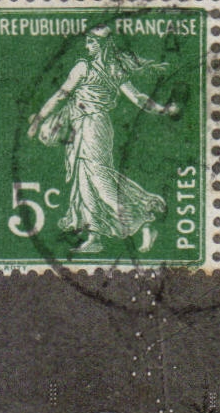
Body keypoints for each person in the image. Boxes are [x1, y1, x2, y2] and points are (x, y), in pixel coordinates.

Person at [28, 25, 180, 254]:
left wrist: (163, 109)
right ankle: (94, 237)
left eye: (91, 43)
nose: (87, 46)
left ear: (102, 46)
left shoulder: (92, 67)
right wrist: (163, 109)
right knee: (84, 182)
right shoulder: (103, 67)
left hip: (94, 126)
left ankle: (144, 221)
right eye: (87, 42)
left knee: (100, 181)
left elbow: (137, 98)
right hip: (83, 126)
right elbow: (137, 98)